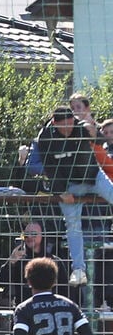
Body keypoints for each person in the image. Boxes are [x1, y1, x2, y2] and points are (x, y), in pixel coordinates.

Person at [37, 105, 113, 287]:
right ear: (54, 123)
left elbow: (99, 139)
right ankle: (78, 270)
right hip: (68, 185)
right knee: (72, 223)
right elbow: (49, 168)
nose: (68, 130)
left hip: (93, 177)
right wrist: (62, 192)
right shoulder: (45, 138)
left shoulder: (81, 127)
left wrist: (93, 131)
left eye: (71, 125)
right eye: (64, 126)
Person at [0, 220, 69, 306]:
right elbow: (1, 282)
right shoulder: (18, 260)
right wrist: (11, 261)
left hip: (51, 309)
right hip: (25, 311)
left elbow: (66, 291)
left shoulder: (54, 261)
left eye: (34, 234)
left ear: (43, 235)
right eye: (26, 235)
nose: (30, 237)